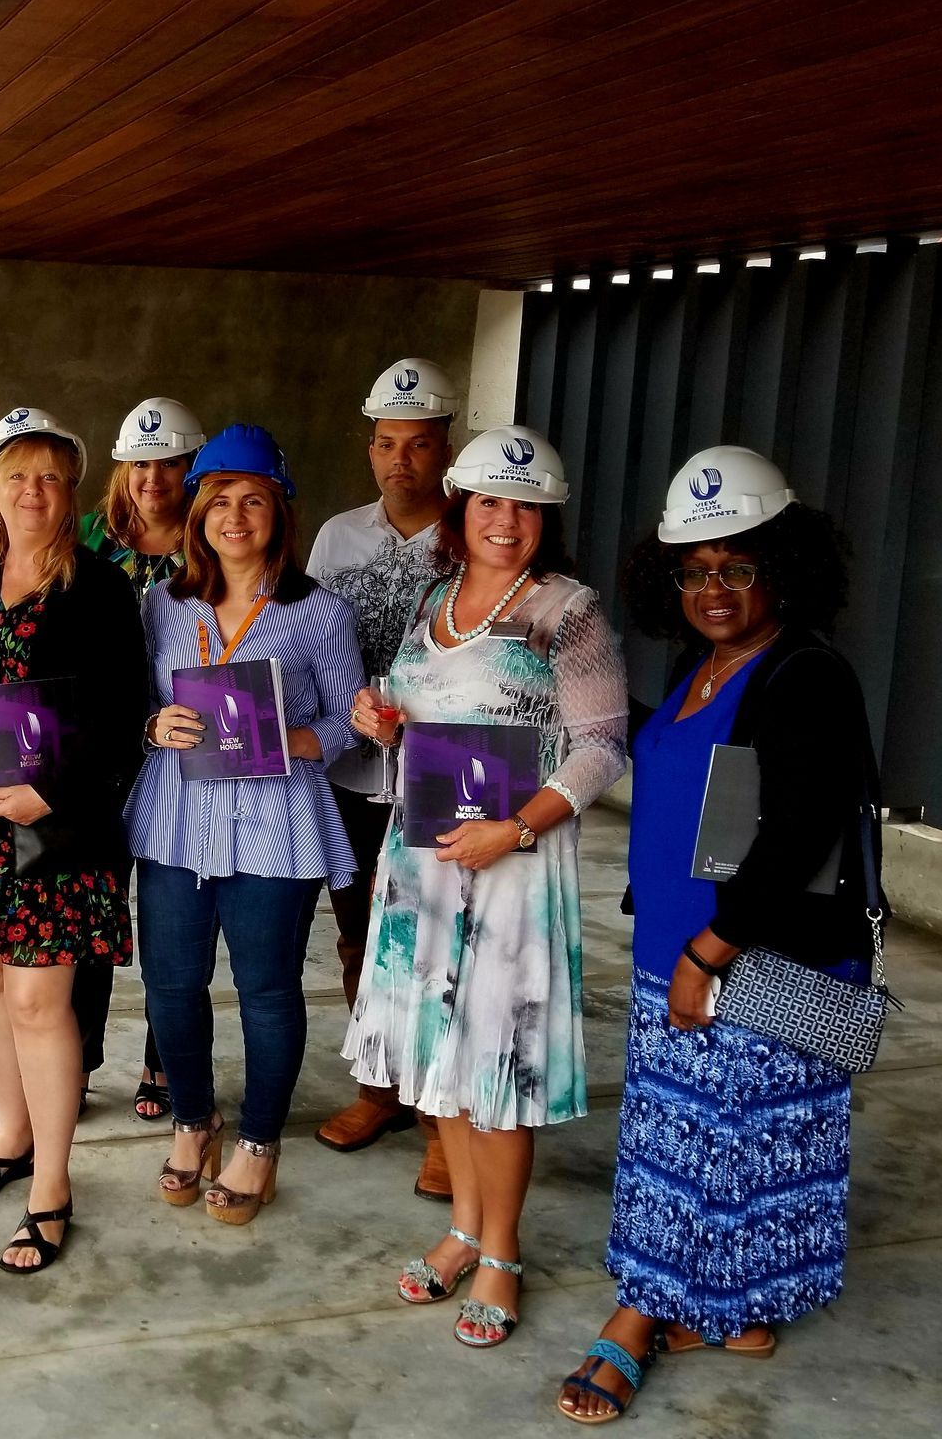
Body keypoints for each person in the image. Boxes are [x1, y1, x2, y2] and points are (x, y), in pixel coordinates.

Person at [557, 449, 875, 1423]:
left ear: (782, 565)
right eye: (694, 571)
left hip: (748, 964)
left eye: (736, 567)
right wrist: (573, 688)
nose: (714, 590)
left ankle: (635, 1322)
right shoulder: (712, 670)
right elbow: (673, 753)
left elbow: (798, 833)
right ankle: (728, 1312)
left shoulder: (804, 675)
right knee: (713, 1151)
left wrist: (709, 954)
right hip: (684, 958)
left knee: (692, 1151)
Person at [341, 425, 627, 1350]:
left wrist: (518, 827)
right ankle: (464, 1229)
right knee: (443, 1061)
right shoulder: (433, 597)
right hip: (423, 865)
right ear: (461, 510)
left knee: (496, 1067)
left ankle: (501, 1254)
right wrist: (376, 716)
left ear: (545, 516)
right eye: (490, 502)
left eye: (526, 505)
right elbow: (417, 710)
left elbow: (600, 747)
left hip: (510, 873)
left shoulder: (565, 611)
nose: (507, 520)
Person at [0, 406, 146, 1273]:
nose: (34, 491)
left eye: (51, 477)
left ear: (72, 491)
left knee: (39, 1002)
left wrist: (46, 792)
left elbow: (122, 715)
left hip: (61, 819)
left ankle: (52, 1183)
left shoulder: (99, 587)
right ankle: (10, 1135)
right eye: (18, 474)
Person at [126, 424, 363, 1226]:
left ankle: (260, 1142)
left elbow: (349, 720)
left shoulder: (320, 613)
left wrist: (305, 739)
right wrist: (155, 724)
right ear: (197, 513)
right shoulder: (163, 603)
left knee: (265, 991)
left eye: (253, 500)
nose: (235, 515)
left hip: (275, 820)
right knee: (171, 985)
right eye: (219, 499)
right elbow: (139, 704)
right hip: (176, 821)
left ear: (280, 514)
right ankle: (195, 1122)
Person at [308, 357, 456, 1199]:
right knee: (362, 942)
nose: (401, 460)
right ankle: (381, 1088)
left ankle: (442, 1118)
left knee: (434, 946)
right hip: (350, 773)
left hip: (440, 780)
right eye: (386, 444)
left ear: (445, 450)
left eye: (419, 444)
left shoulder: (473, 533)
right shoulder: (337, 537)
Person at [73, 396, 208, 1122]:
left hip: (184, 752)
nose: (151, 479)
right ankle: (81, 1057)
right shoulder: (88, 539)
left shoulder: (213, 542)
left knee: (169, 916)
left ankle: (162, 1058)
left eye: (169, 463)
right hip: (103, 752)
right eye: (139, 464)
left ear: (193, 469)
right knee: (93, 911)